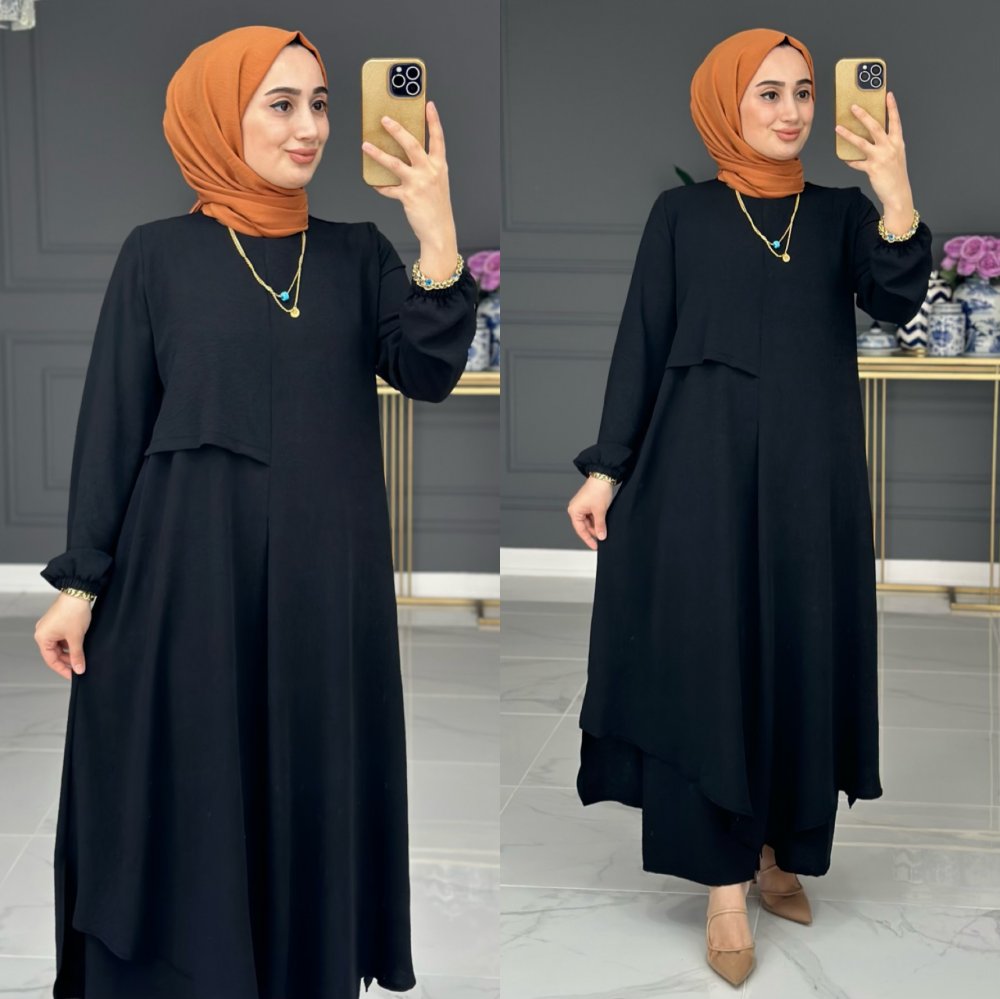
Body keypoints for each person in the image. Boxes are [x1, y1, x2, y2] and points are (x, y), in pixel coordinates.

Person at [32, 25, 477, 999]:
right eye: (281, 104)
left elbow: (427, 369)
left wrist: (436, 231)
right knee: (190, 786)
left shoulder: (357, 254)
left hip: (325, 584)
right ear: (215, 116)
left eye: (320, 104)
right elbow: (114, 425)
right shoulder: (157, 256)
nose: (309, 126)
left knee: (305, 782)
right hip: (185, 580)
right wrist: (80, 581)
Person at [565, 28, 931, 988]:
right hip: (698, 479)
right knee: (712, 662)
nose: (792, 110)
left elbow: (897, 302)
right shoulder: (681, 214)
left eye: (804, 91)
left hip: (813, 485)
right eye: (768, 92)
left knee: (796, 655)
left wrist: (894, 188)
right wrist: (606, 468)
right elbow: (643, 342)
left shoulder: (842, 214)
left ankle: (780, 849)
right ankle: (724, 885)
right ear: (726, 102)